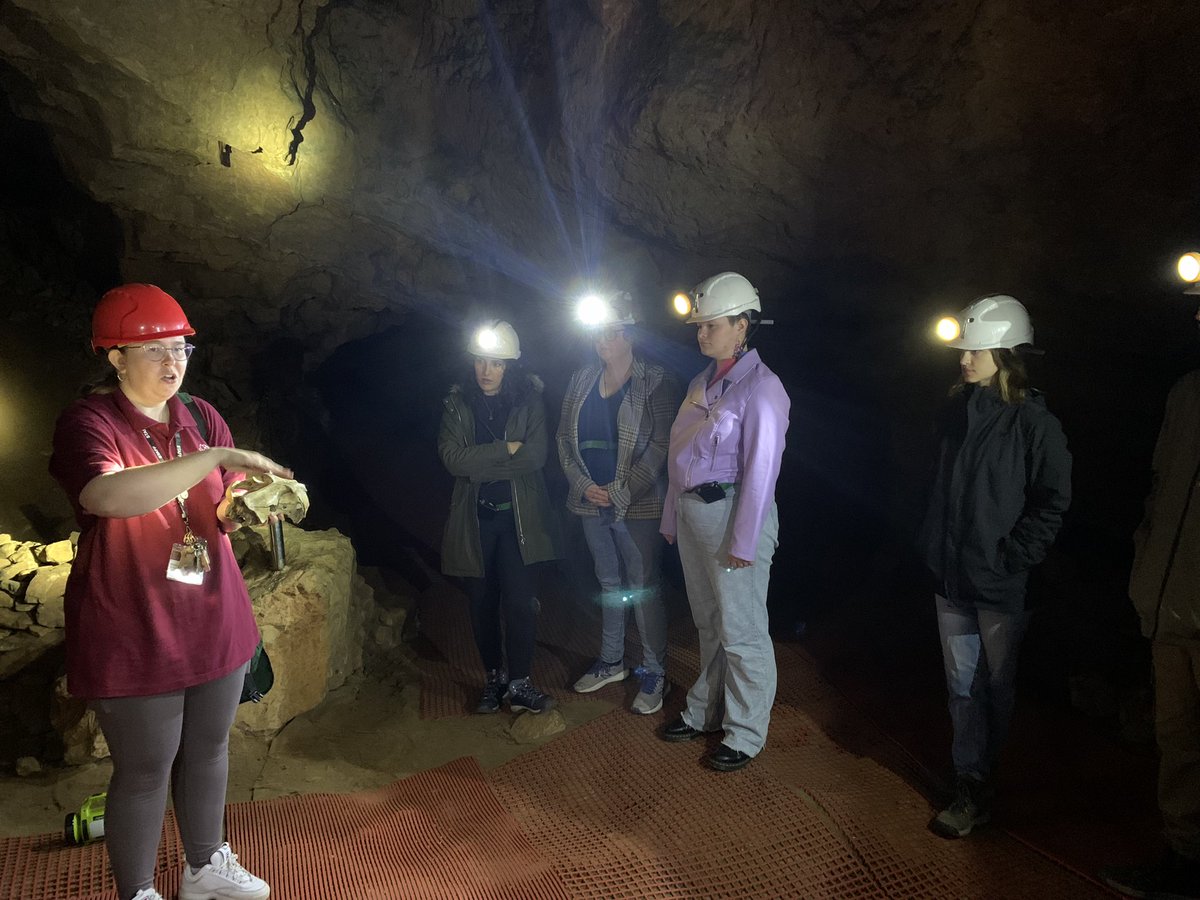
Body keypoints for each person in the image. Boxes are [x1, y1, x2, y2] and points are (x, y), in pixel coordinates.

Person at [49, 283, 290, 900]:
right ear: (114, 357)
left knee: (209, 750)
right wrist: (217, 456)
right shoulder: (90, 421)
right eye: (153, 349)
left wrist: (249, 506)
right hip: (133, 618)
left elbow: (225, 500)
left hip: (213, 611)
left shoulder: (200, 413)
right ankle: (137, 890)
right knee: (145, 768)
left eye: (180, 347)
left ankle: (204, 867)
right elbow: (107, 497)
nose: (173, 362)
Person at [918, 294, 1071, 839]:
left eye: (975, 350)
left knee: (995, 688)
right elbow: (938, 487)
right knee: (963, 687)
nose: (964, 358)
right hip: (953, 578)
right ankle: (970, 781)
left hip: (1001, 584)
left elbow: (1052, 500)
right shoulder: (957, 412)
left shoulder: (1034, 424)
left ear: (1005, 353)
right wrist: (935, 546)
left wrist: (1012, 557)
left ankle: (986, 781)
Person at [658, 272, 790, 772]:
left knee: (742, 630)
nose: (701, 332)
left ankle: (746, 732)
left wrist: (745, 538)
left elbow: (762, 469)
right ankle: (705, 711)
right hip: (696, 515)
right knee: (708, 621)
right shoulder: (700, 383)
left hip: (734, 514)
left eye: (711, 324)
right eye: (699, 324)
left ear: (742, 326)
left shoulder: (763, 388)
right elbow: (678, 453)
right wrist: (672, 515)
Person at [1099, 298, 1200, 899]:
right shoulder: (1186, 392)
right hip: (1171, 607)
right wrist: (1147, 575)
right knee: (1180, 744)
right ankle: (1186, 860)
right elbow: (1162, 490)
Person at [557, 292, 678, 714]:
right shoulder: (581, 380)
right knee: (610, 584)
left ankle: (653, 670)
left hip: (637, 505)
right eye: (596, 333)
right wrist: (583, 483)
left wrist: (623, 491)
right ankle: (611, 661)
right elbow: (563, 440)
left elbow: (660, 445)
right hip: (591, 501)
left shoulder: (654, 380)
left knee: (642, 588)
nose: (601, 341)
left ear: (628, 335)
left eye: (609, 333)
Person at [438, 320, 561, 715]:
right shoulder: (457, 404)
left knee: (522, 602)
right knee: (481, 602)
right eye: (480, 361)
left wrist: (479, 464)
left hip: (517, 521)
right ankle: (494, 678)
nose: (486, 370)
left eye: (496, 363)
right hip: (476, 520)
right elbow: (451, 460)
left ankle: (521, 681)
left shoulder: (528, 403)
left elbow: (535, 457)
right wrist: (505, 448)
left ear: (511, 367)